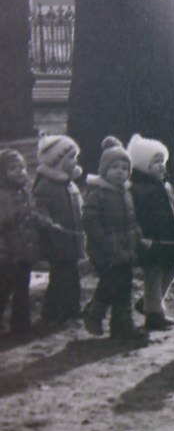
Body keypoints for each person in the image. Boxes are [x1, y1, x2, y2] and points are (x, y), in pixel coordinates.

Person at [0, 150, 76, 340]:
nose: (19, 172)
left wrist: (49, 224)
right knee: (4, 289)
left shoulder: (23, 192)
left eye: (22, 168)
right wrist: (14, 215)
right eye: (12, 169)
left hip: (24, 251)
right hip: (7, 253)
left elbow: (33, 214)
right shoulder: (3, 195)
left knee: (21, 290)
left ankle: (21, 326)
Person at [127, 135, 174, 331]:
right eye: (155, 162)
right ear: (141, 165)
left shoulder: (165, 186)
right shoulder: (137, 189)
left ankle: (149, 303)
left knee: (171, 270)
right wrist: (140, 237)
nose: (161, 167)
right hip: (151, 240)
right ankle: (154, 314)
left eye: (162, 162)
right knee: (153, 273)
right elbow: (132, 217)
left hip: (168, 237)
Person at [82, 137, 145, 340]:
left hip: (125, 248)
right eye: (115, 167)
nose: (120, 172)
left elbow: (130, 220)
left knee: (124, 286)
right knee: (112, 283)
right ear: (104, 170)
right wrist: (104, 244)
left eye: (124, 168)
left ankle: (121, 326)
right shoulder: (98, 193)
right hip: (105, 251)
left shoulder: (125, 192)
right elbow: (90, 221)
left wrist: (138, 237)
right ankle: (94, 311)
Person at [32, 134, 85, 328]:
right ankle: (53, 311)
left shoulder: (69, 183)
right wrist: (49, 223)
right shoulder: (46, 185)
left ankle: (72, 308)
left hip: (71, 239)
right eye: (71, 158)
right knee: (61, 276)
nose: (74, 162)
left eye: (75, 158)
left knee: (72, 275)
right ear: (57, 161)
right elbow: (38, 210)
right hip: (56, 240)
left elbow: (79, 208)